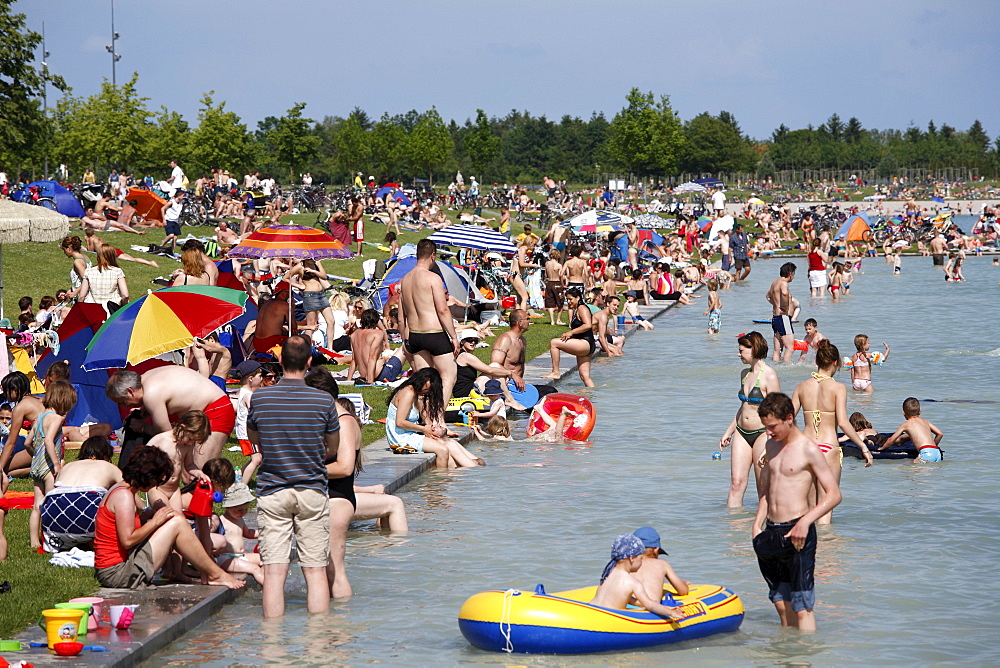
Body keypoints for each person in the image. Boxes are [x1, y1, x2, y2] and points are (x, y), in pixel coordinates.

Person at [247, 336, 340, 617]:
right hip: (311, 489)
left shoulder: (260, 397)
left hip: (273, 491)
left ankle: (273, 648)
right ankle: (318, 645)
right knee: (315, 572)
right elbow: (332, 448)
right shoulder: (324, 401)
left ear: (280, 361)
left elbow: (255, 439)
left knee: (274, 573)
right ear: (310, 361)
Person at [93, 445, 244, 590]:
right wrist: (156, 521)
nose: (154, 486)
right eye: (156, 481)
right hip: (118, 573)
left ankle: (206, 572)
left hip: (117, 567)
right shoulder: (124, 496)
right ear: (148, 476)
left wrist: (145, 516)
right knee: (177, 521)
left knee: (175, 519)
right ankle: (215, 574)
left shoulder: (120, 489)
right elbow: (127, 540)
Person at [752, 392, 841, 632]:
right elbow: (767, 490)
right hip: (770, 532)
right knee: (781, 604)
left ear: (789, 418)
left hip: (798, 533)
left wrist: (805, 522)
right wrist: (756, 526)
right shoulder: (770, 445)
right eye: (765, 427)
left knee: (803, 605)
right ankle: (787, 656)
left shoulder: (808, 450)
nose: (768, 432)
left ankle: (805, 657)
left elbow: (833, 494)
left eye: (772, 427)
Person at [791, 341, 873, 524]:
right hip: (828, 448)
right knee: (825, 510)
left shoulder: (801, 387)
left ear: (818, 362)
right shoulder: (838, 388)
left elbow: (787, 420)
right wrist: (863, 447)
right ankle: (829, 550)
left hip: (806, 447)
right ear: (835, 362)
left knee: (809, 511)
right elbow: (843, 422)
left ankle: (810, 550)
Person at [105, 366, 236, 468]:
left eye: (123, 401)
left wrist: (144, 428)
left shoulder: (151, 394)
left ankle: (227, 495)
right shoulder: (146, 378)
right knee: (189, 472)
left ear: (130, 391)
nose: (125, 406)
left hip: (216, 409)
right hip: (206, 409)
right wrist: (145, 412)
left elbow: (169, 436)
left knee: (200, 469)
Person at [302, 369, 357, 600]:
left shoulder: (344, 423)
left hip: (338, 497)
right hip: (322, 495)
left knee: (334, 567)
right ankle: (325, 625)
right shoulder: (324, 420)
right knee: (321, 567)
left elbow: (345, 467)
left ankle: (340, 625)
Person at [719, 332, 780, 507]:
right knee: (736, 483)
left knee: (763, 488)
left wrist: (771, 443)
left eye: (741, 350)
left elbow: (778, 412)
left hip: (762, 434)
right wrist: (728, 432)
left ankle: (763, 529)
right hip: (742, 432)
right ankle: (733, 528)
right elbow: (744, 408)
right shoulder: (744, 374)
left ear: (753, 349)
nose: (739, 354)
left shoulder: (770, 375)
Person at [386, 368, 484, 467]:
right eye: (428, 388)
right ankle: (442, 479)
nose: (427, 392)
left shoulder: (417, 394)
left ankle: (458, 471)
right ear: (426, 380)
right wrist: (423, 429)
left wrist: (434, 430)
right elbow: (400, 422)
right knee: (443, 450)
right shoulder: (408, 393)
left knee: (446, 443)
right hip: (400, 438)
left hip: (410, 434)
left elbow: (426, 420)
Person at [39, 435, 121, 553]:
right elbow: (128, 492)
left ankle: (76, 539)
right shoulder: (108, 466)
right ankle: (92, 539)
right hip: (89, 515)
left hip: (54, 523)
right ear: (105, 454)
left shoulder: (67, 467)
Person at [399, 239, 459, 401]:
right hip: (434, 333)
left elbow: (401, 316)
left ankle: (425, 419)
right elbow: (442, 309)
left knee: (423, 381)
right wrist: (454, 337)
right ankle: (438, 417)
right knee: (449, 375)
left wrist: (405, 339)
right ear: (433, 255)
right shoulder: (433, 278)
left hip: (415, 335)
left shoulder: (405, 280)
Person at [589, 534, 686, 620]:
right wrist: (671, 612)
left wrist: (638, 602)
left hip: (592, 610)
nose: (641, 562)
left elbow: (618, 596)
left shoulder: (607, 574)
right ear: (631, 558)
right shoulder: (632, 582)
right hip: (609, 618)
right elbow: (650, 605)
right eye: (640, 558)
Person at [28, 381, 77, 550]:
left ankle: (34, 540)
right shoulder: (56, 418)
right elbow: (49, 440)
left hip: (36, 466)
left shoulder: (39, 417)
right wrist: (56, 463)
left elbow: (28, 442)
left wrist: (35, 454)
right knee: (51, 505)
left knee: (37, 505)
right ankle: (51, 539)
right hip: (48, 467)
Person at [542, 287, 595, 387]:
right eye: (567, 299)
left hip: (585, 343)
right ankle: (592, 396)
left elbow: (588, 325)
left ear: (578, 298)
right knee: (585, 376)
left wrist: (570, 333)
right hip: (587, 345)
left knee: (554, 343)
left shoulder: (582, 308)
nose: (569, 302)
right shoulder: (577, 309)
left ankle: (555, 372)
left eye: (570, 299)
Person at [216, 483, 264, 585]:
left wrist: (263, 533)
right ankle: (270, 589)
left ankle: (264, 585)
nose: (243, 513)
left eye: (246, 509)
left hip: (241, 556)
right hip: (226, 559)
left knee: (265, 559)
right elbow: (211, 538)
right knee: (254, 568)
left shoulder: (240, 520)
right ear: (228, 507)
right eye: (239, 510)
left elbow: (248, 533)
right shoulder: (221, 521)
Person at [632, 526, 689, 600]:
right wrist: (683, 584)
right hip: (651, 608)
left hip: (627, 605)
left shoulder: (628, 564)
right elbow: (683, 591)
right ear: (656, 550)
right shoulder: (663, 564)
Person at [882, 398, 944, 462]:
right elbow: (940, 434)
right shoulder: (925, 421)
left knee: (906, 469)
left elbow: (891, 440)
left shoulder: (906, 424)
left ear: (903, 412)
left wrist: (882, 448)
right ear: (920, 411)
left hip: (926, 453)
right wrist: (933, 446)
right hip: (937, 452)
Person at [233, 360, 264, 484]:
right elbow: (256, 413)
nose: (261, 379)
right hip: (248, 434)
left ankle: (239, 474)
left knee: (258, 458)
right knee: (257, 459)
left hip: (246, 432)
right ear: (251, 378)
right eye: (260, 376)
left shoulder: (244, 392)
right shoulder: (248, 395)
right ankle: (242, 487)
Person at [78, 245, 130, 310]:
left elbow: (81, 296)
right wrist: (123, 307)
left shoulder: (89, 271)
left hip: (92, 309)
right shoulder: (117, 271)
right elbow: (125, 295)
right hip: (111, 309)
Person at [766, 262, 797, 362]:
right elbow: (784, 292)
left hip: (775, 318)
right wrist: (785, 307)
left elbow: (768, 296)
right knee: (790, 347)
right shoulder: (784, 283)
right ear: (790, 274)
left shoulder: (774, 283)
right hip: (783, 317)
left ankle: (776, 368)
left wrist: (775, 305)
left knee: (777, 350)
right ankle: (786, 369)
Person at [544, 249, 566, 325]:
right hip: (557, 283)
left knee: (550, 302)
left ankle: (552, 320)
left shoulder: (547, 263)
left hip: (549, 283)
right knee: (560, 302)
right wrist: (563, 285)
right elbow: (561, 276)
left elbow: (546, 275)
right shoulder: (559, 265)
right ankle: (558, 320)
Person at [161, 189, 185, 254]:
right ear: (179, 196)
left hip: (176, 221)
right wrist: (164, 219)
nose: (184, 197)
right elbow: (162, 208)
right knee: (171, 235)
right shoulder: (171, 202)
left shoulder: (180, 203)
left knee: (175, 237)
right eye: (183, 196)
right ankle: (161, 245)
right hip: (169, 220)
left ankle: (172, 250)